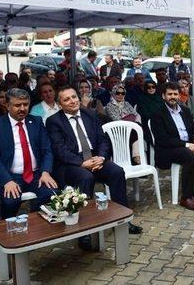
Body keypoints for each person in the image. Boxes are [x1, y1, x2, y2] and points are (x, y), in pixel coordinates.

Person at [45, 87, 142, 245]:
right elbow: (59, 150)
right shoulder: (54, 121)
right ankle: (83, 231)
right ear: (59, 104)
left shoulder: (90, 114)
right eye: (66, 99)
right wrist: (82, 163)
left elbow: (103, 140)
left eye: (74, 97)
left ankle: (123, 220)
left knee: (117, 171)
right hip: (71, 164)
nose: (73, 101)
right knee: (86, 177)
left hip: (95, 159)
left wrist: (102, 157)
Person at [0, 88, 57, 219]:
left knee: (51, 193)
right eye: (18, 105)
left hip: (36, 174)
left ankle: (37, 227)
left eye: (26, 104)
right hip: (10, 175)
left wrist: (45, 172)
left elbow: (47, 150)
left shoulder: (36, 122)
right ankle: (9, 232)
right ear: (7, 105)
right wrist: (6, 180)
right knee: (10, 201)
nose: (22, 109)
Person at [150, 82, 194, 211]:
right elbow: (163, 140)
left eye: (175, 94)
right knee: (190, 155)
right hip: (168, 150)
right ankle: (186, 197)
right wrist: (187, 145)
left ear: (179, 95)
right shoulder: (157, 114)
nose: (173, 97)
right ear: (163, 96)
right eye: (170, 94)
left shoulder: (185, 110)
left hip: (188, 145)